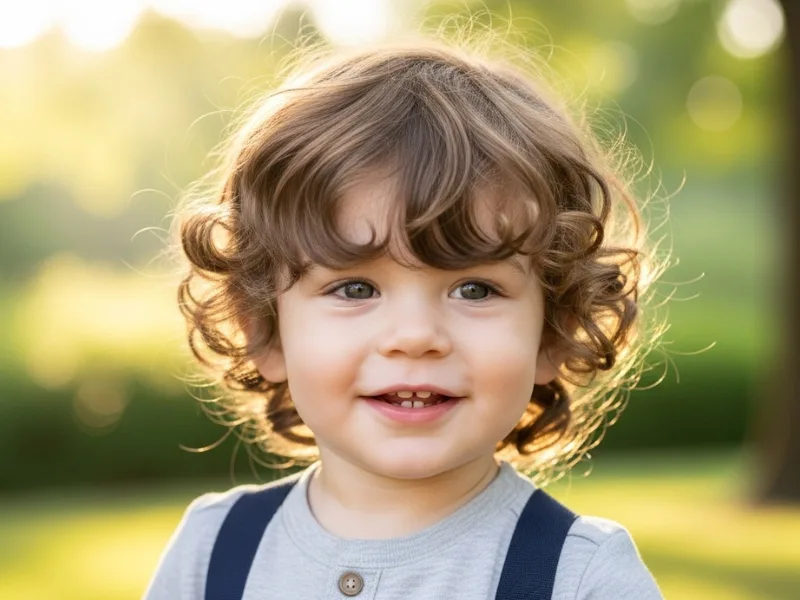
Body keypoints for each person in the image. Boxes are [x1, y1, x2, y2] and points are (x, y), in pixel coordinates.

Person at [144, 34, 666, 600]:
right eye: (354, 287)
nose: (416, 337)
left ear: (553, 332)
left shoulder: (579, 577)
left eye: (474, 289)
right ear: (264, 330)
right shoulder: (214, 554)